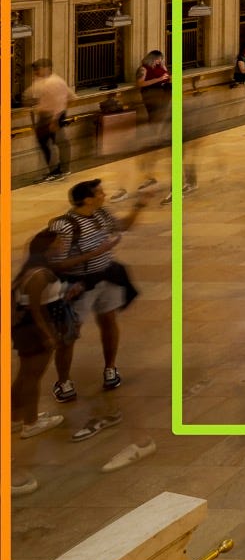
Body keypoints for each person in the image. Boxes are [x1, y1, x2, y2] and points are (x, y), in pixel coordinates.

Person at [49, 178, 161, 411]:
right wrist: (96, 253)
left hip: (106, 278)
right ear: (87, 199)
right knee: (69, 334)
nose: (104, 194)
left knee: (109, 321)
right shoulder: (65, 226)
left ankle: (110, 368)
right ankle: (64, 381)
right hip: (79, 285)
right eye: (99, 192)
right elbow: (56, 262)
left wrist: (140, 204)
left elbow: (124, 226)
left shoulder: (101, 215)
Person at [11, 228, 81, 495]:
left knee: (26, 374)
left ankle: (15, 416)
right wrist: (48, 335)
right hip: (35, 330)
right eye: (59, 242)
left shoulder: (37, 270)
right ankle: (30, 422)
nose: (62, 245)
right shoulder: (39, 274)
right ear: (48, 247)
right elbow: (37, 310)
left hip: (30, 330)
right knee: (33, 376)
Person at [23, 60, 73, 183]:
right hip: (49, 116)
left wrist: (55, 120)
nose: (35, 72)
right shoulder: (43, 81)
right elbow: (70, 97)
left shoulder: (53, 82)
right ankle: (59, 170)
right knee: (53, 143)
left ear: (47, 68)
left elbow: (59, 102)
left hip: (51, 117)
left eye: (38, 69)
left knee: (51, 144)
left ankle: (57, 171)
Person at [135, 50, 173, 124]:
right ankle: (153, 130)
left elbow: (166, 76)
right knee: (155, 114)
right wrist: (159, 79)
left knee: (163, 113)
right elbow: (140, 84)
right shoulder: (143, 69)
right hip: (151, 92)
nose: (160, 60)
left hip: (165, 91)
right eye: (158, 59)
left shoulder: (161, 66)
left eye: (161, 58)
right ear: (151, 59)